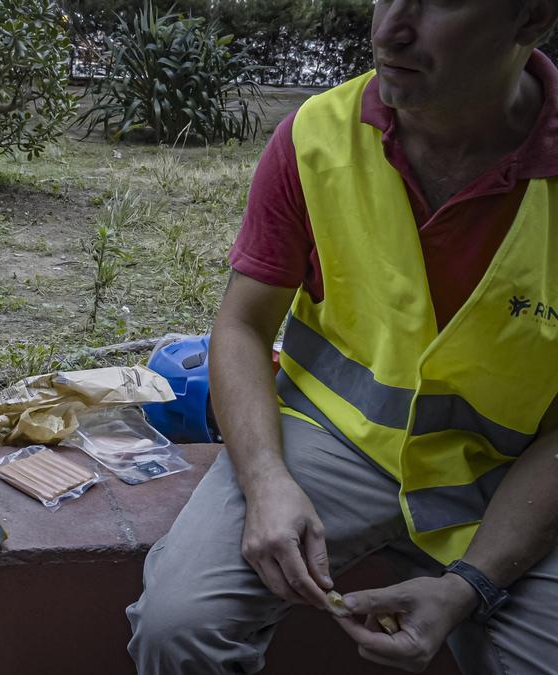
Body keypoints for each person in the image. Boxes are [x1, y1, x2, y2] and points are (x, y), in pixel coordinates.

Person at [127, 1, 558, 673]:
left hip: (516, 473)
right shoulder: (315, 138)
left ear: (531, 18)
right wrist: (266, 480)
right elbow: (242, 325)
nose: (388, 30)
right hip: (336, 441)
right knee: (180, 622)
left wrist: (468, 585)